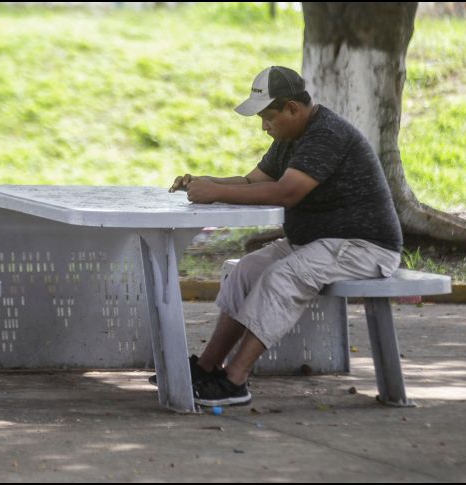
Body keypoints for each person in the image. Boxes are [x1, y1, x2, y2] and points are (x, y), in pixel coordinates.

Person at [167, 65, 403, 407]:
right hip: (317, 243)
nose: (264, 127)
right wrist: (205, 182)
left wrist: (215, 192)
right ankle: (206, 368)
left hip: (364, 247)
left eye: (268, 118)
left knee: (281, 278)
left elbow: (286, 193)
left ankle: (235, 380)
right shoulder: (289, 137)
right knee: (245, 270)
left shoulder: (326, 135)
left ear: (292, 108)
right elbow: (251, 182)